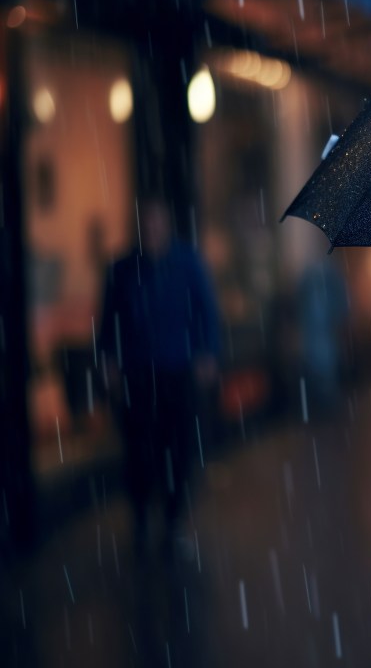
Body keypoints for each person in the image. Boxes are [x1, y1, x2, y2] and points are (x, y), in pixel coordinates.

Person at [98, 194, 222, 555]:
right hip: (138, 373)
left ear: (166, 225)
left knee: (176, 446)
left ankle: (172, 519)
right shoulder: (121, 270)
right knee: (138, 448)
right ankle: (140, 516)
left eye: (157, 223)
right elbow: (110, 320)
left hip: (176, 371)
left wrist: (207, 354)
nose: (151, 231)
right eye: (146, 224)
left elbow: (206, 312)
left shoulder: (187, 263)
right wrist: (109, 362)